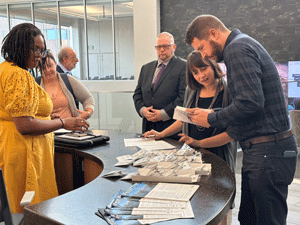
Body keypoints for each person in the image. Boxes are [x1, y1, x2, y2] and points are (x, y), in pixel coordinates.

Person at [185, 15, 298, 225]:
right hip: (264, 152)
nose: (205, 55)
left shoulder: (236, 49)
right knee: (249, 218)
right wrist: (212, 115)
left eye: (202, 48)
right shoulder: (242, 44)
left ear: (213, 33)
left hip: (268, 152)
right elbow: (251, 103)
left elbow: (250, 103)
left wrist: (211, 117)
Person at [0, 23, 89, 213]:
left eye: (42, 50)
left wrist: (47, 118)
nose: (39, 55)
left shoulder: (5, 69)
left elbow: (20, 113)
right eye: (35, 49)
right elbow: (24, 125)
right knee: (30, 210)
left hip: (13, 147)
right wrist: (63, 122)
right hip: (25, 153)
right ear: (20, 45)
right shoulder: (18, 75)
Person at [143, 51, 237, 225]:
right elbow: (184, 118)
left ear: (213, 66)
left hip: (220, 155)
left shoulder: (229, 90)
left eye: (204, 68)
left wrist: (200, 143)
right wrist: (162, 134)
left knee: (221, 205)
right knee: (197, 204)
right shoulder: (192, 90)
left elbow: (231, 134)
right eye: (195, 72)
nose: (201, 75)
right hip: (194, 155)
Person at [133, 32, 186, 139]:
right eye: (158, 47)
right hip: (148, 125)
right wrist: (143, 110)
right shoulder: (146, 68)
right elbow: (137, 94)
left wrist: (163, 114)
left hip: (171, 127)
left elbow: (183, 97)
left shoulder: (184, 66)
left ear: (174, 47)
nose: (161, 50)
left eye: (165, 46)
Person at [37, 51, 94, 120]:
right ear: (39, 68)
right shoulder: (36, 85)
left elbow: (87, 98)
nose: (48, 70)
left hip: (70, 129)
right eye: (43, 67)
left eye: (50, 65)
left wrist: (88, 112)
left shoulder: (68, 80)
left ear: (55, 64)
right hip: (47, 129)